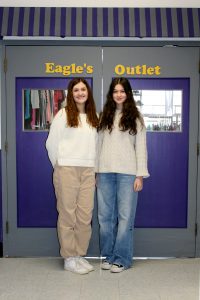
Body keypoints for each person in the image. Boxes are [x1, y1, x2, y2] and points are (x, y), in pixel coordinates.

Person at [96, 77, 149, 273]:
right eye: (115, 91)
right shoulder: (104, 116)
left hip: (128, 174)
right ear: (111, 94)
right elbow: (97, 146)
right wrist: (96, 172)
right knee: (105, 218)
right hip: (105, 173)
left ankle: (122, 258)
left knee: (125, 218)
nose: (119, 94)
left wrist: (140, 175)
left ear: (128, 93)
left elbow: (141, 148)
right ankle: (108, 256)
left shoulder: (136, 117)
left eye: (122, 91)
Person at [46, 78, 98, 275]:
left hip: (88, 171)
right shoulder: (63, 114)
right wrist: (59, 166)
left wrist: (95, 171)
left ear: (88, 92)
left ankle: (79, 254)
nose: (80, 93)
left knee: (85, 216)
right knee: (67, 214)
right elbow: (51, 144)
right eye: (76, 90)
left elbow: (96, 146)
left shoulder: (94, 116)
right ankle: (69, 257)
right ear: (71, 93)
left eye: (83, 89)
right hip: (66, 169)